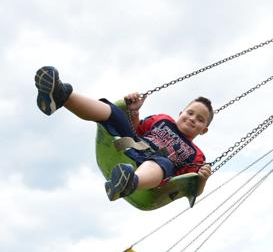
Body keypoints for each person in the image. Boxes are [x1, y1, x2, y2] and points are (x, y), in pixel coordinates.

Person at [34, 66, 213, 201]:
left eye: (199, 119)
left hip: (152, 173)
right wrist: (133, 112)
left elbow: (190, 187)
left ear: (204, 130)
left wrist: (202, 179)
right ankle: (61, 96)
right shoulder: (162, 120)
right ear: (181, 112)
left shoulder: (196, 155)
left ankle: (128, 183)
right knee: (116, 112)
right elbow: (136, 129)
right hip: (132, 145)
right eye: (190, 113)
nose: (192, 119)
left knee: (164, 162)